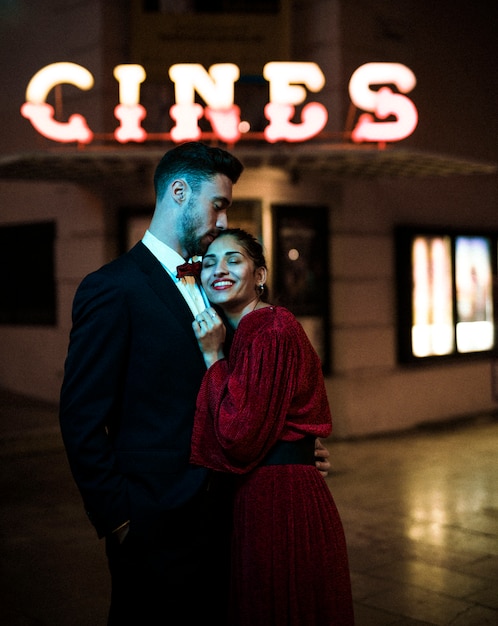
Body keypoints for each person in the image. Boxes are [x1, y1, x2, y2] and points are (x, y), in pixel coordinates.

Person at [59, 141, 331, 626]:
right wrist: (119, 519)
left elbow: (238, 391)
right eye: (218, 205)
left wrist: (288, 453)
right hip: (154, 522)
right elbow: (81, 416)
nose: (224, 221)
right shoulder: (112, 287)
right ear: (179, 192)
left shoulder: (213, 287)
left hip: (227, 514)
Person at [190, 228, 355, 626]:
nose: (219, 270)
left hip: (280, 500)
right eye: (209, 262)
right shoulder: (246, 332)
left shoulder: (271, 330)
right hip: (266, 492)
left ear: (260, 276)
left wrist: (212, 356)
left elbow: (238, 435)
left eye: (234, 259)